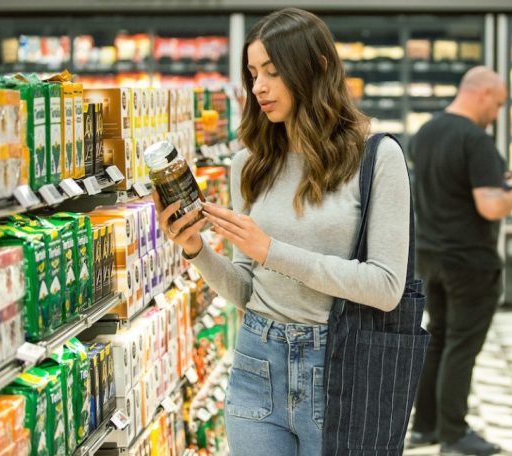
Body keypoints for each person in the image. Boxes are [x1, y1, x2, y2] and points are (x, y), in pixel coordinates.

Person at [153, 8, 411, 455]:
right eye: (253, 74)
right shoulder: (249, 165)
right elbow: (246, 290)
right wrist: (194, 248)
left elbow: (386, 287)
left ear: (318, 67)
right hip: (258, 362)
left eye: (272, 71)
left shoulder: (376, 157)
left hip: (341, 368)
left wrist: (272, 251)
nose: (259, 87)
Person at [408, 66, 512, 455]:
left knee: (438, 338)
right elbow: (490, 206)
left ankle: (425, 427)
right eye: (498, 104)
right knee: (462, 345)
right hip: (469, 261)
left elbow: (453, 187)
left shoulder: (425, 133)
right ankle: (454, 434)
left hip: (430, 256)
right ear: (483, 93)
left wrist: (503, 181)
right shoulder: (475, 139)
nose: (497, 114)